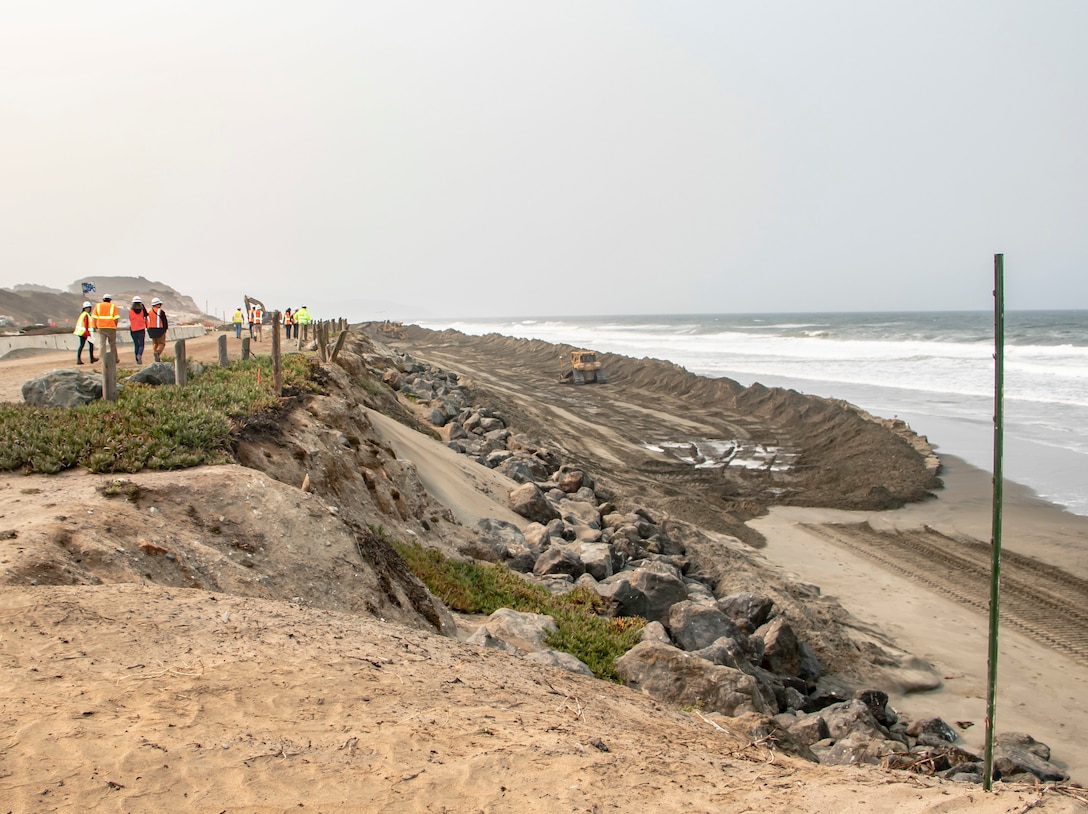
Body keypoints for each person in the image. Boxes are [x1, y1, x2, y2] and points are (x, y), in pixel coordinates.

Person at [146, 298, 169, 362]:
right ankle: (157, 353)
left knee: (155, 343)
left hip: (151, 330)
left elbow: (146, 321)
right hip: (159, 329)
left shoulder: (149, 312)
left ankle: (157, 357)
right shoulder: (160, 311)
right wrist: (165, 329)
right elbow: (165, 321)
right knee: (161, 343)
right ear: (157, 304)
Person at [129, 296, 148, 364]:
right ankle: (139, 355)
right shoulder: (142, 310)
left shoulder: (130, 310)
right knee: (141, 345)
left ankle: (137, 360)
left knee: (136, 345)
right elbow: (146, 315)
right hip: (141, 329)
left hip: (133, 329)